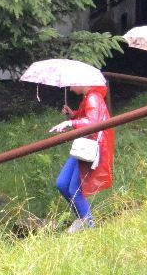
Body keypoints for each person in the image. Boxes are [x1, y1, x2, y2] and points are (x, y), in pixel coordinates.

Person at [48, 83, 115, 231]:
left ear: (81, 82)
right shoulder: (88, 97)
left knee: (74, 190)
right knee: (62, 183)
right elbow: (86, 116)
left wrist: (70, 122)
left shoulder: (93, 98)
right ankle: (83, 219)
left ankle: (90, 228)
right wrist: (73, 115)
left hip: (91, 148)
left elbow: (92, 123)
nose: (70, 89)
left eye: (72, 85)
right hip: (83, 145)